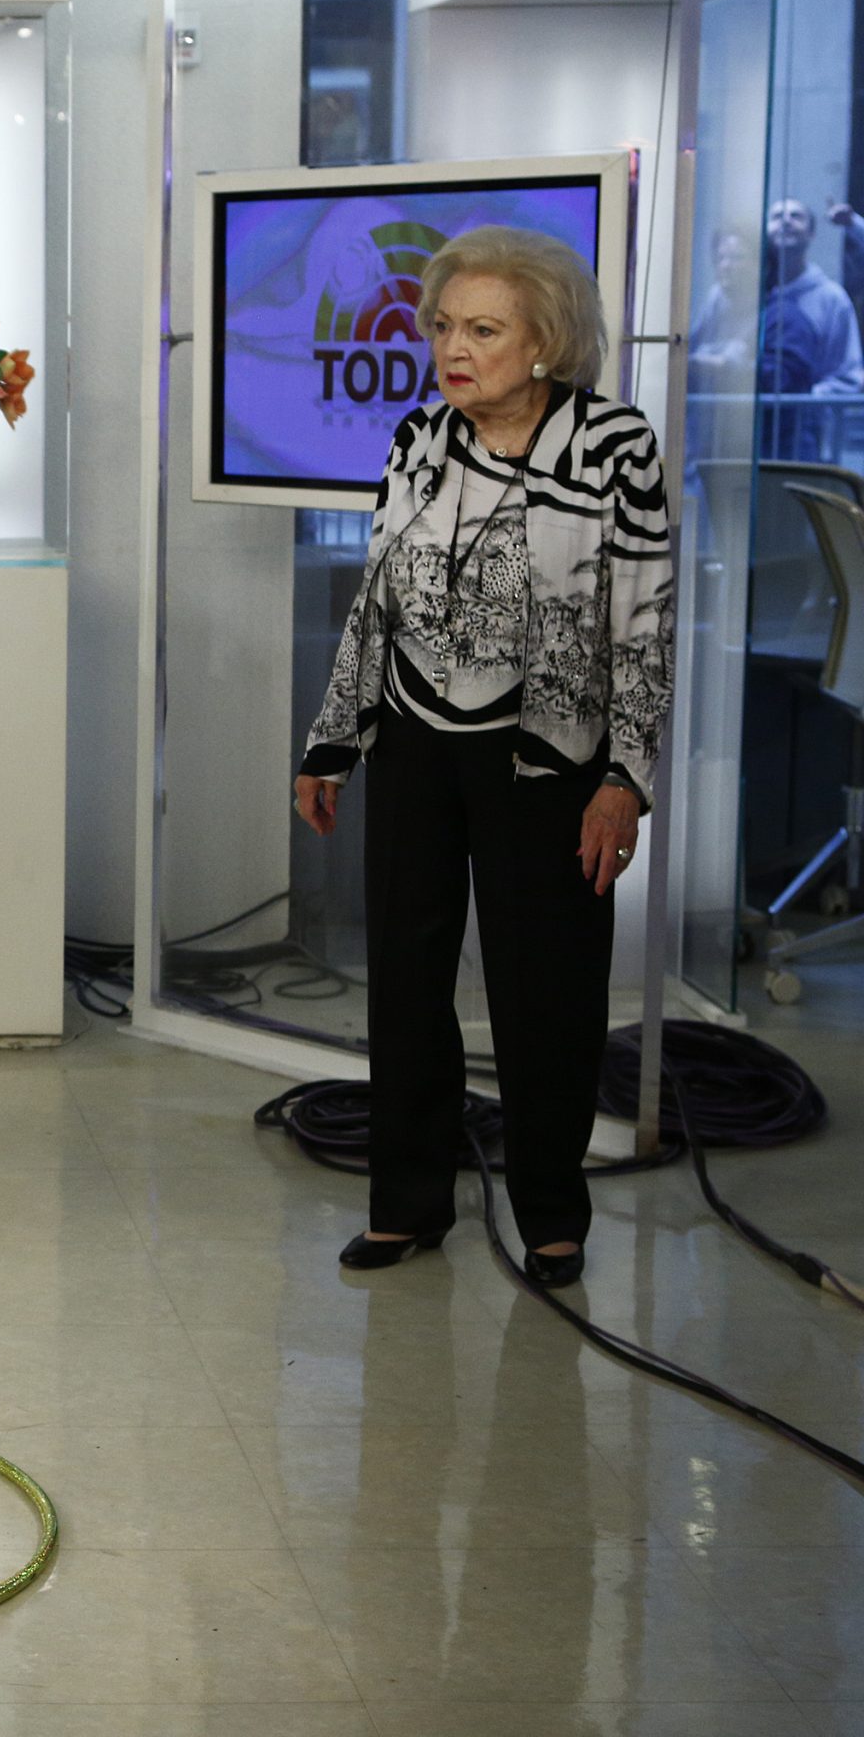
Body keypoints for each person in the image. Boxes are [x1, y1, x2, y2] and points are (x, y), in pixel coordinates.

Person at [294, 226, 675, 1292]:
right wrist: (332, 741)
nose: (452, 350)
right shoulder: (418, 434)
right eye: (443, 327)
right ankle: (406, 1205)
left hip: (549, 758)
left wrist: (625, 778)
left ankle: (551, 1216)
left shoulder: (612, 446)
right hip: (417, 741)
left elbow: (645, 622)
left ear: (545, 341)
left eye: (482, 330)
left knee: (543, 989)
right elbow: (374, 596)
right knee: (406, 984)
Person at [755, 198, 863, 458]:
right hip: (747, 435)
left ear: (811, 233)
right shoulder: (742, 293)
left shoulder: (831, 299)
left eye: (796, 216)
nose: (786, 221)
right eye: (778, 215)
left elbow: (848, 377)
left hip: (806, 440)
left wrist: (796, 402)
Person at [686, 227, 756, 389]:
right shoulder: (715, 298)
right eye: (720, 258)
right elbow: (690, 348)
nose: (726, 265)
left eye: (736, 258)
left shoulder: (774, 308)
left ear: (757, 263)